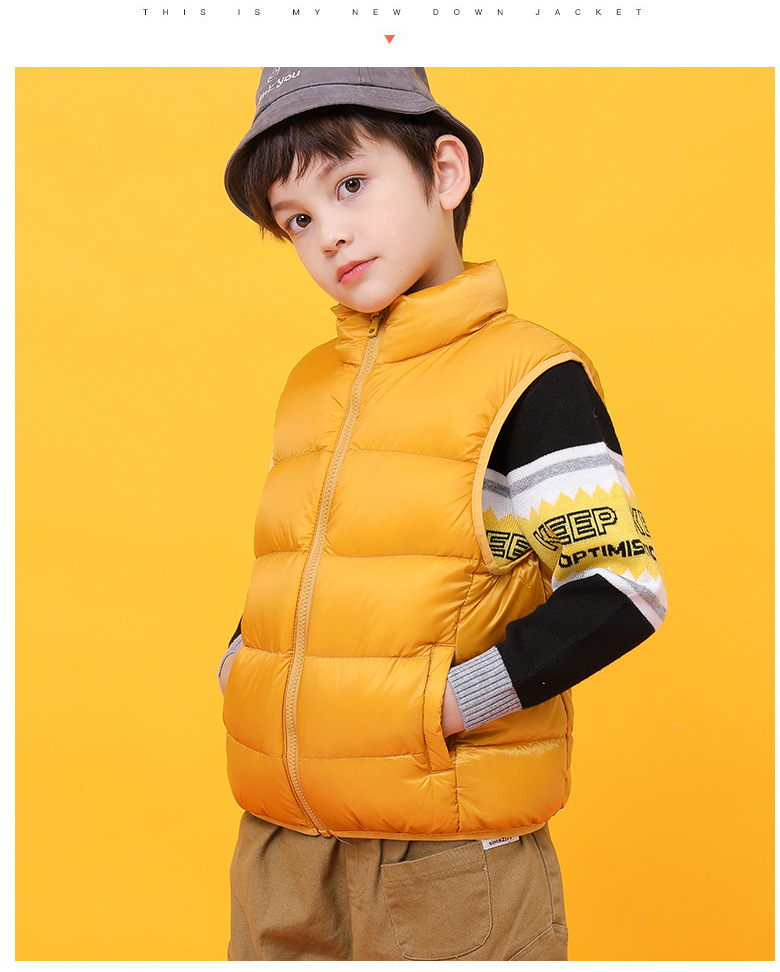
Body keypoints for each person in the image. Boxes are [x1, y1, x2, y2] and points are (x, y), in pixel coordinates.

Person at [218, 67, 666, 961]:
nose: (329, 233)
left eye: (351, 184)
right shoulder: (310, 385)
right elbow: (306, 567)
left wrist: (442, 705)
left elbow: (623, 592)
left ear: (445, 172)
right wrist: (245, 664)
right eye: (296, 218)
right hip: (281, 846)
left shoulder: (529, 380)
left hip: (447, 858)